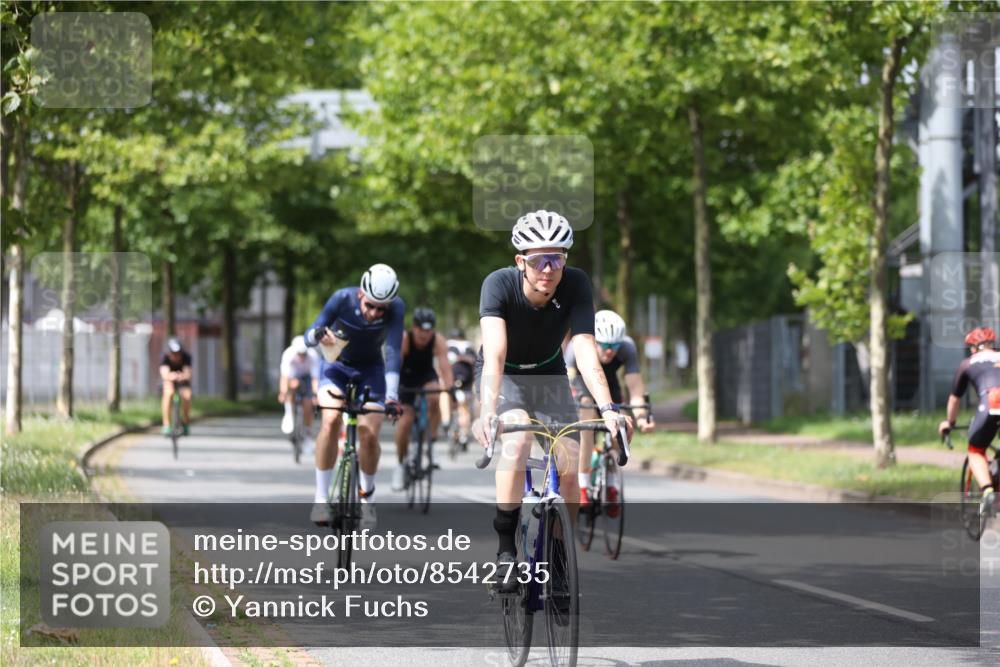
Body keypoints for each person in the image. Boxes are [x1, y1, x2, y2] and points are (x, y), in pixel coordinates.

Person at [473, 209, 632, 589]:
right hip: (506, 373)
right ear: (520, 262)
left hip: (549, 373)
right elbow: (494, 353)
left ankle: (560, 557)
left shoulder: (576, 284)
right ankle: (506, 549)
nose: (548, 268)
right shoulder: (498, 285)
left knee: (571, 463)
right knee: (520, 437)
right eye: (539, 260)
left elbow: (585, 348)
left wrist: (609, 408)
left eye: (556, 258)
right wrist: (485, 412)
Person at [305, 263, 404, 529]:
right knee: (330, 421)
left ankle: (367, 499)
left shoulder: (396, 308)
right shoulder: (342, 298)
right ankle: (321, 498)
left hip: (371, 371)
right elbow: (309, 335)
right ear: (361, 294)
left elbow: (393, 351)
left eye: (380, 309)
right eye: (370, 305)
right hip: (335, 367)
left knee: (369, 435)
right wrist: (317, 335)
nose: (374, 313)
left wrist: (392, 396)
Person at [565, 309, 654, 507]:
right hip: (582, 385)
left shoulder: (627, 347)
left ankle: (612, 483)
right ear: (594, 341)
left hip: (610, 386)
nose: (609, 350)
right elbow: (568, 382)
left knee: (621, 421)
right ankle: (583, 485)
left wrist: (640, 418)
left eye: (614, 345)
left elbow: (635, 387)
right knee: (586, 419)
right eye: (604, 345)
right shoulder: (576, 346)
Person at [938, 326, 1000, 515]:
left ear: (973, 348)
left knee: (976, 450)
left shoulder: (967, 364)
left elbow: (954, 399)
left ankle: (987, 490)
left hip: (992, 403)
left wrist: (950, 422)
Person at [391, 307, 454, 490]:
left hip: (426, 377)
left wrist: (449, 390)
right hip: (405, 380)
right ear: (414, 327)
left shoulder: (438, 341)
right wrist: (392, 394)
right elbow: (395, 366)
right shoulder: (404, 340)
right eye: (420, 330)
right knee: (404, 423)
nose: (424, 335)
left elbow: (445, 369)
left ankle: (432, 443)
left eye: (428, 330)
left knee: (436, 395)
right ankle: (400, 465)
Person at [279, 335, 321, 453]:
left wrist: (315, 396)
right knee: (291, 387)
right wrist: (283, 393)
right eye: (299, 354)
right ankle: (289, 413)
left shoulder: (312, 355)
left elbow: (315, 379)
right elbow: (284, 377)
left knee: (308, 404)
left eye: (304, 354)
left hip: (308, 377)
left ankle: (307, 434)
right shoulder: (288, 354)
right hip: (293, 375)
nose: (302, 357)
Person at [445, 327, 476, 449]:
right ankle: (463, 435)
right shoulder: (469, 347)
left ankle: (446, 422)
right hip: (466, 383)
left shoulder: (449, 345)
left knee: (448, 402)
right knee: (464, 410)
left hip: (451, 383)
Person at [160, 337, 192, 436]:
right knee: (168, 394)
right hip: (170, 380)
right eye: (173, 354)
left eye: (178, 354)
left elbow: (188, 373)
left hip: (183, 381)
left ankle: (186, 422)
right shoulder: (165, 358)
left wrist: (182, 376)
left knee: (187, 396)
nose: (176, 356)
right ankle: (166, 424)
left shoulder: (186, 357)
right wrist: (171, 376)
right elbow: (164, 373)